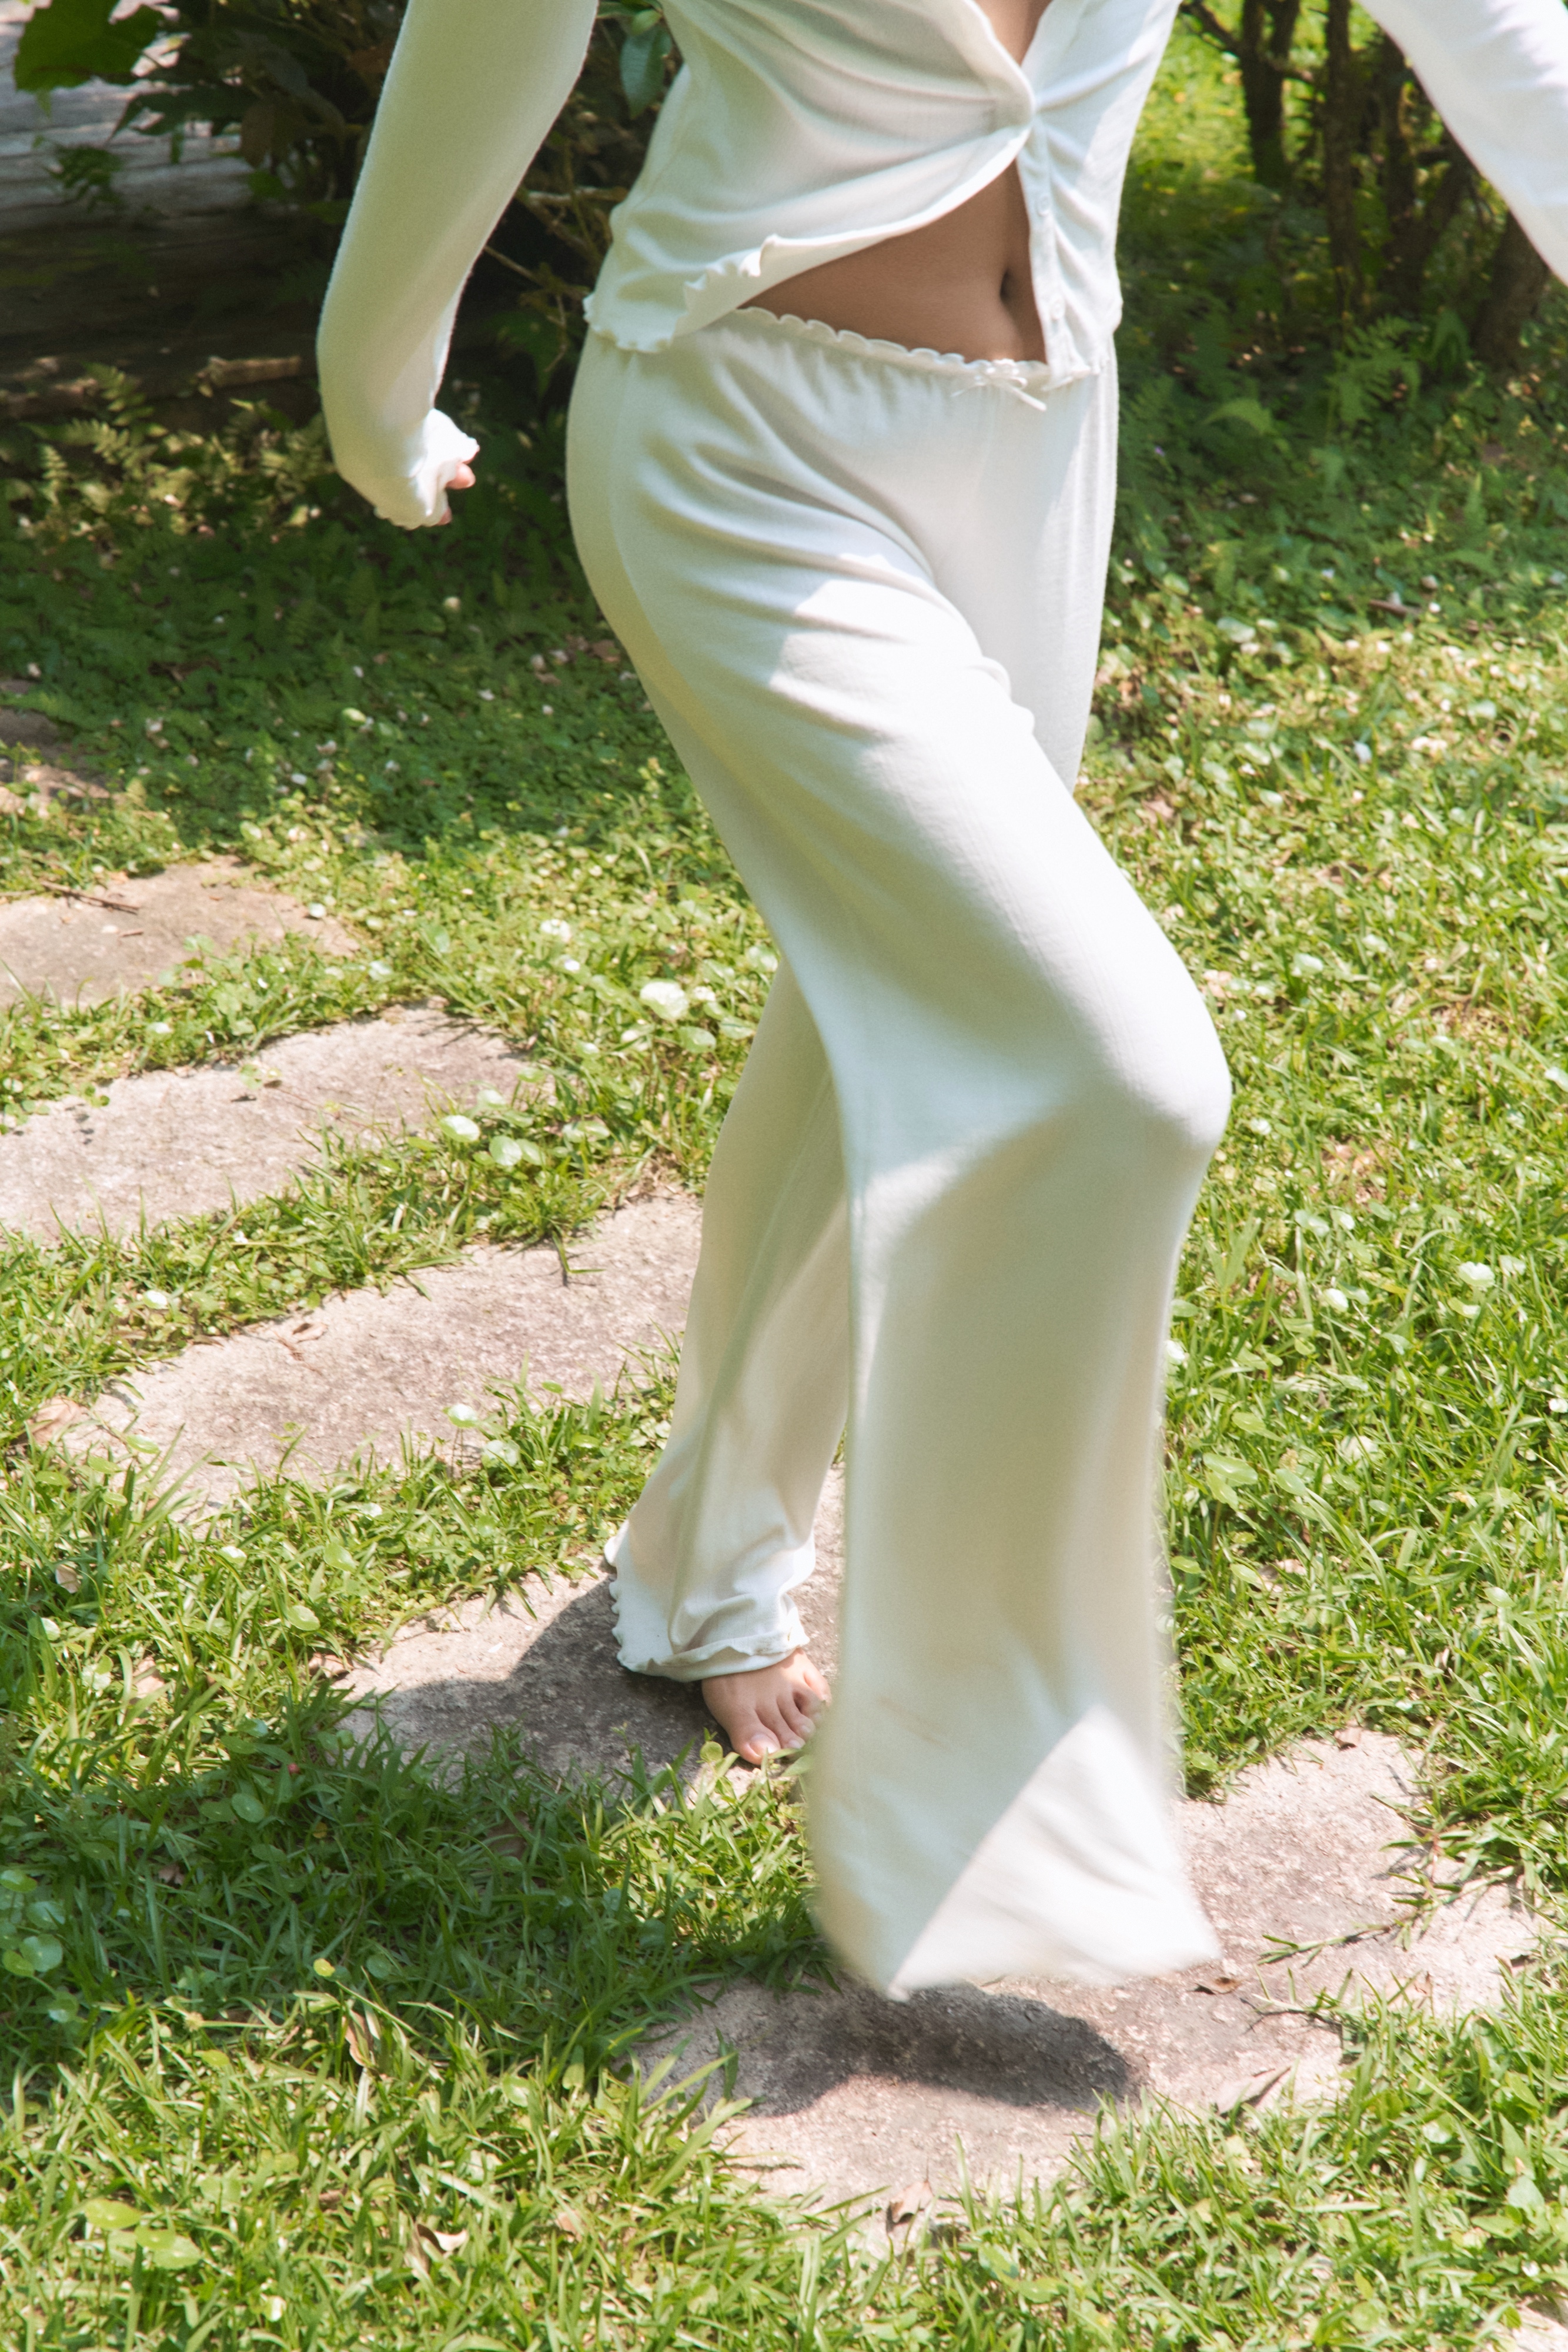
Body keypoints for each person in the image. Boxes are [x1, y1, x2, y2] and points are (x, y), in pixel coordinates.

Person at [317, 0, 1568, 2000]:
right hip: (738, 446)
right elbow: (497, 28)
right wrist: (372, 380)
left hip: (1031, 451)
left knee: (884, 1008)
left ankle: (703, 1564)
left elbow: (1498, 31)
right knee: (1113, 1070)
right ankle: (975, 1805)